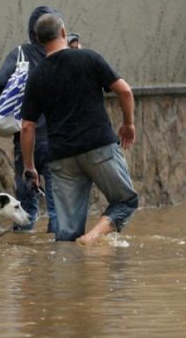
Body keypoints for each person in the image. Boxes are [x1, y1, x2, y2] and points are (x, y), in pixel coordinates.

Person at [20, 13, 139, 244]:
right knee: (126, 201)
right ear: (63, 32)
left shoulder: (36, 77)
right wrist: (128, 124)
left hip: (61, 158)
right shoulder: (88, 58)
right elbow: (124, 91)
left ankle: (68, 276)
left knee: (66, 235)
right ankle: (94, 236)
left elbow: (27, 127)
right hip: (99, 147)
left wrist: (30, 167)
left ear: (39, 40)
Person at [0, 6, 59, 233]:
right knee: (57, 204)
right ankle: (59, 254)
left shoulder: (20, 54)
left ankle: (25, 250)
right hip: (57, 139)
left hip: (26, 139)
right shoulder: (63, 55)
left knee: (26, 200)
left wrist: (6, 107)